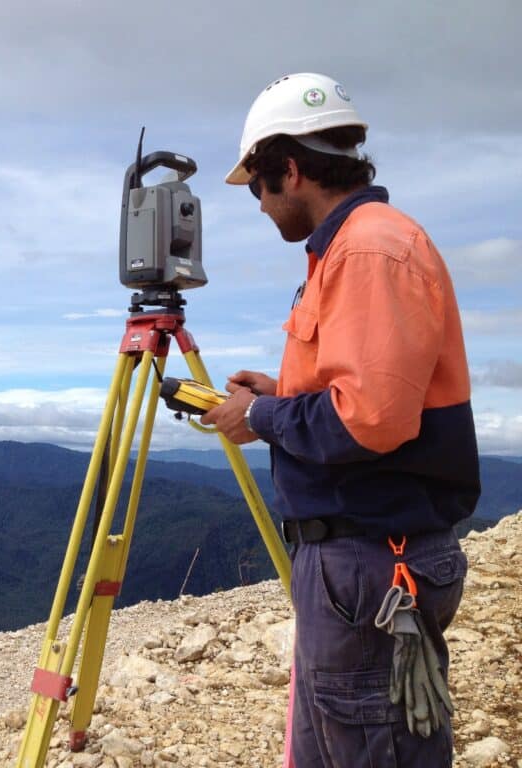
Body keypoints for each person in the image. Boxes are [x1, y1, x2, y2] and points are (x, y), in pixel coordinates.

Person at [201, 72, 480, 768]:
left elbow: (372, 422)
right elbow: (361, 388)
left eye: (260, 189)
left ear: (290, 170)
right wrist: (282, 389)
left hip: (373, 561)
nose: (260, 207)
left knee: (368, 748)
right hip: (361, 559)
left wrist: (263, 414)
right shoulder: (351, 249)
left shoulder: (367, 250)